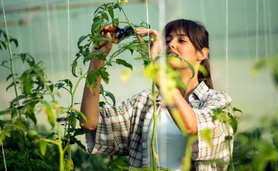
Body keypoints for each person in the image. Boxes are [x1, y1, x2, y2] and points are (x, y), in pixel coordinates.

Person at [80, 19, 233, 171]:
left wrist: (153, 68)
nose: (171, 44)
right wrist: (97, 60)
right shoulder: (146, 101)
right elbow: (90, 123)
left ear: (202, 53)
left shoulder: (219, 102)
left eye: (181, 40)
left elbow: (192, 127)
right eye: (168, 40)